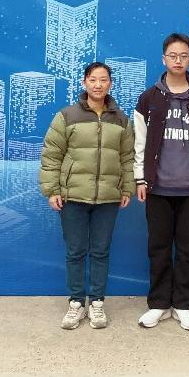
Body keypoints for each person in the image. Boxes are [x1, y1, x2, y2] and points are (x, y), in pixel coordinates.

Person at [134, 33, 189, 331]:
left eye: (184, 55)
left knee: (188, 250)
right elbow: (139, 143)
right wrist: (141, 179)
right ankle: (159, 304)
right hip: (157, 187)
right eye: (173, 55)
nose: (178, 60)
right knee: (158, 248)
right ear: (164, 59)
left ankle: (183, 304)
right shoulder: (149, 98)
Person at [39, 61, 134, 330]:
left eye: (103, 80)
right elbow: (51, 155)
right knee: (75, 251)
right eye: (93, 80)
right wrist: (52, 190)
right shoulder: (67, 116)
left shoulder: (121, 119)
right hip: (73, 196)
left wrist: (126, 187)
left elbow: (128, 157)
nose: (98, 85)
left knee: (101, 252)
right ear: (84, 83)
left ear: (110, 84)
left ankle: (97, 302)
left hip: (108, 198)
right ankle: (76, 302)